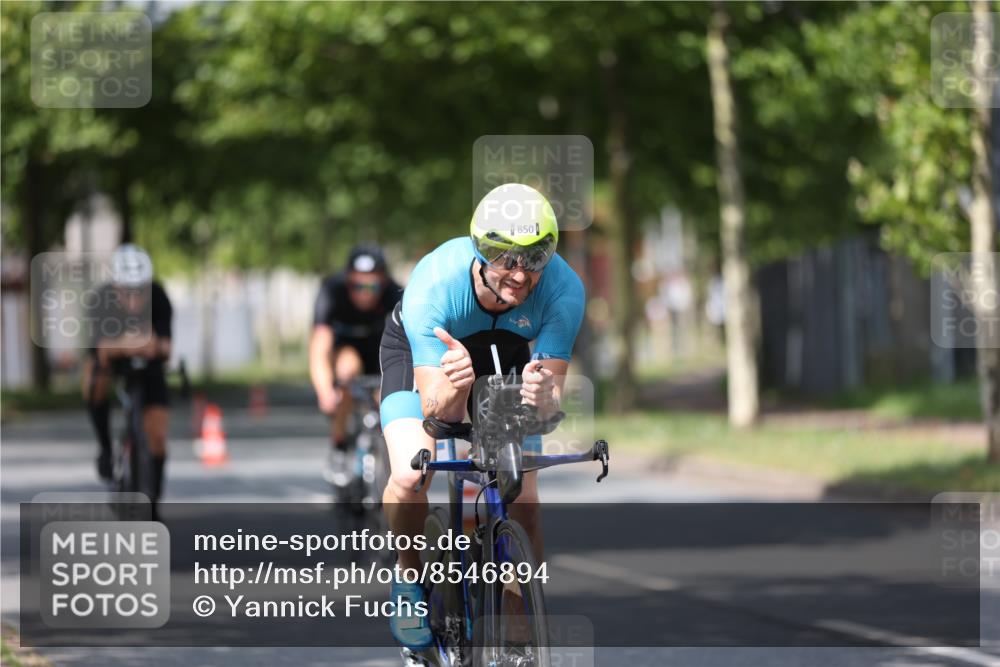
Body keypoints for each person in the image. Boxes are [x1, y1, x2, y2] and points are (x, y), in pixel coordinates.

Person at [378, 183, 585, 652]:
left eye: (533, 258)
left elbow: (548, 407)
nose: (518, 273)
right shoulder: (435, 283)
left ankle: (519, 625)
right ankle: (409, 580)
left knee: (523, 496)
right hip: (429, 357)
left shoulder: (564, 289)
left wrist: (539, 397)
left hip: (502, 357)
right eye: (504, 256)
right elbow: (438, 415)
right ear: (479, 248)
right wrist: (458, 386)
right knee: (412, 469)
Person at [83, 244, 173, 506]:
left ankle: (154, 498)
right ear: (115, 286)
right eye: (127, 291)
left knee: (156, 434)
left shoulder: (158, 296)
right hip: (112, 364)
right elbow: (100, 350)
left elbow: (164, 347)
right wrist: (131, 344)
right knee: (93, 378)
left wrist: (123, 344)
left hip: (150, 366)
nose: (134, 298)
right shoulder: (101, 299)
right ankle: (106, 449)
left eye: (140, 291)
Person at [310, 244, 402, 488]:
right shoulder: (332, 291)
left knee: (387, 400)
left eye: (371, 286)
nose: (364, 293)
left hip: (380, 349)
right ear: (347, 280)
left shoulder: (395, 294)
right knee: (347, 370)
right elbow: (319, 347)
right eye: (357, 285)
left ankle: (388, 460)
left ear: (383, 282)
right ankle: (339, 447)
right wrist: (324, 391)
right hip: (346, 349)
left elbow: (410, 347)